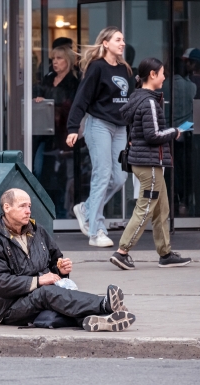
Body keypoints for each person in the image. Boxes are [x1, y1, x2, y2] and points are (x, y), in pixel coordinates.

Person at [0, 188, 136, 332]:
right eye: (22, 206)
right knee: (47, 294)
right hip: (11, 307)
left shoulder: (37, 231)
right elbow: (0, 283)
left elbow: (55, 260)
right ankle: (105, 305)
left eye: (29, 206)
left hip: (42, 297)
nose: (28, 211)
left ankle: (100, 320)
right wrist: (39, 281)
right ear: (7, 208)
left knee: (54, 309)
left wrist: (60, 269)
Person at [110, 58, 192, 270]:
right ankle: (122, 251)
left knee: (161, 207)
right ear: (153, 75)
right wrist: (175, 132)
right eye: (162, 73)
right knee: (146, 207)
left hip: (143, 161)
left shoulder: (139, 97)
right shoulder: (149, 102)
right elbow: (153, 134)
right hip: (149, 163)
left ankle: (165, 253)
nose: (165, 77)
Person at [66, 26, 133, 247]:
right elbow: (81, 98)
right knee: (102, 175)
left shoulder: (125, 69)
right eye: (117, 40)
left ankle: (86, 209)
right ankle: (96, 231)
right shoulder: (96, 68)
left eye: (123, 40)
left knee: (120, 177)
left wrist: (131, 131)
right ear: (105, 43)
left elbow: (127, 102)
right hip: (99, 126)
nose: (122, 43)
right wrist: (73, 127)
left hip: (120, 129)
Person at [33, 45, 79, 218]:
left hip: (63, 135)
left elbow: (71, 106)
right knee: (39, 170)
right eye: (53, 59)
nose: (55, 62)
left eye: (59, 58)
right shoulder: (47, 79)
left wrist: (50, 102)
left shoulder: (74, 83)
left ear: (68, 61)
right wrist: (39, 101)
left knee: (62, 175)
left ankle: (62, 212)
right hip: (43, 133)